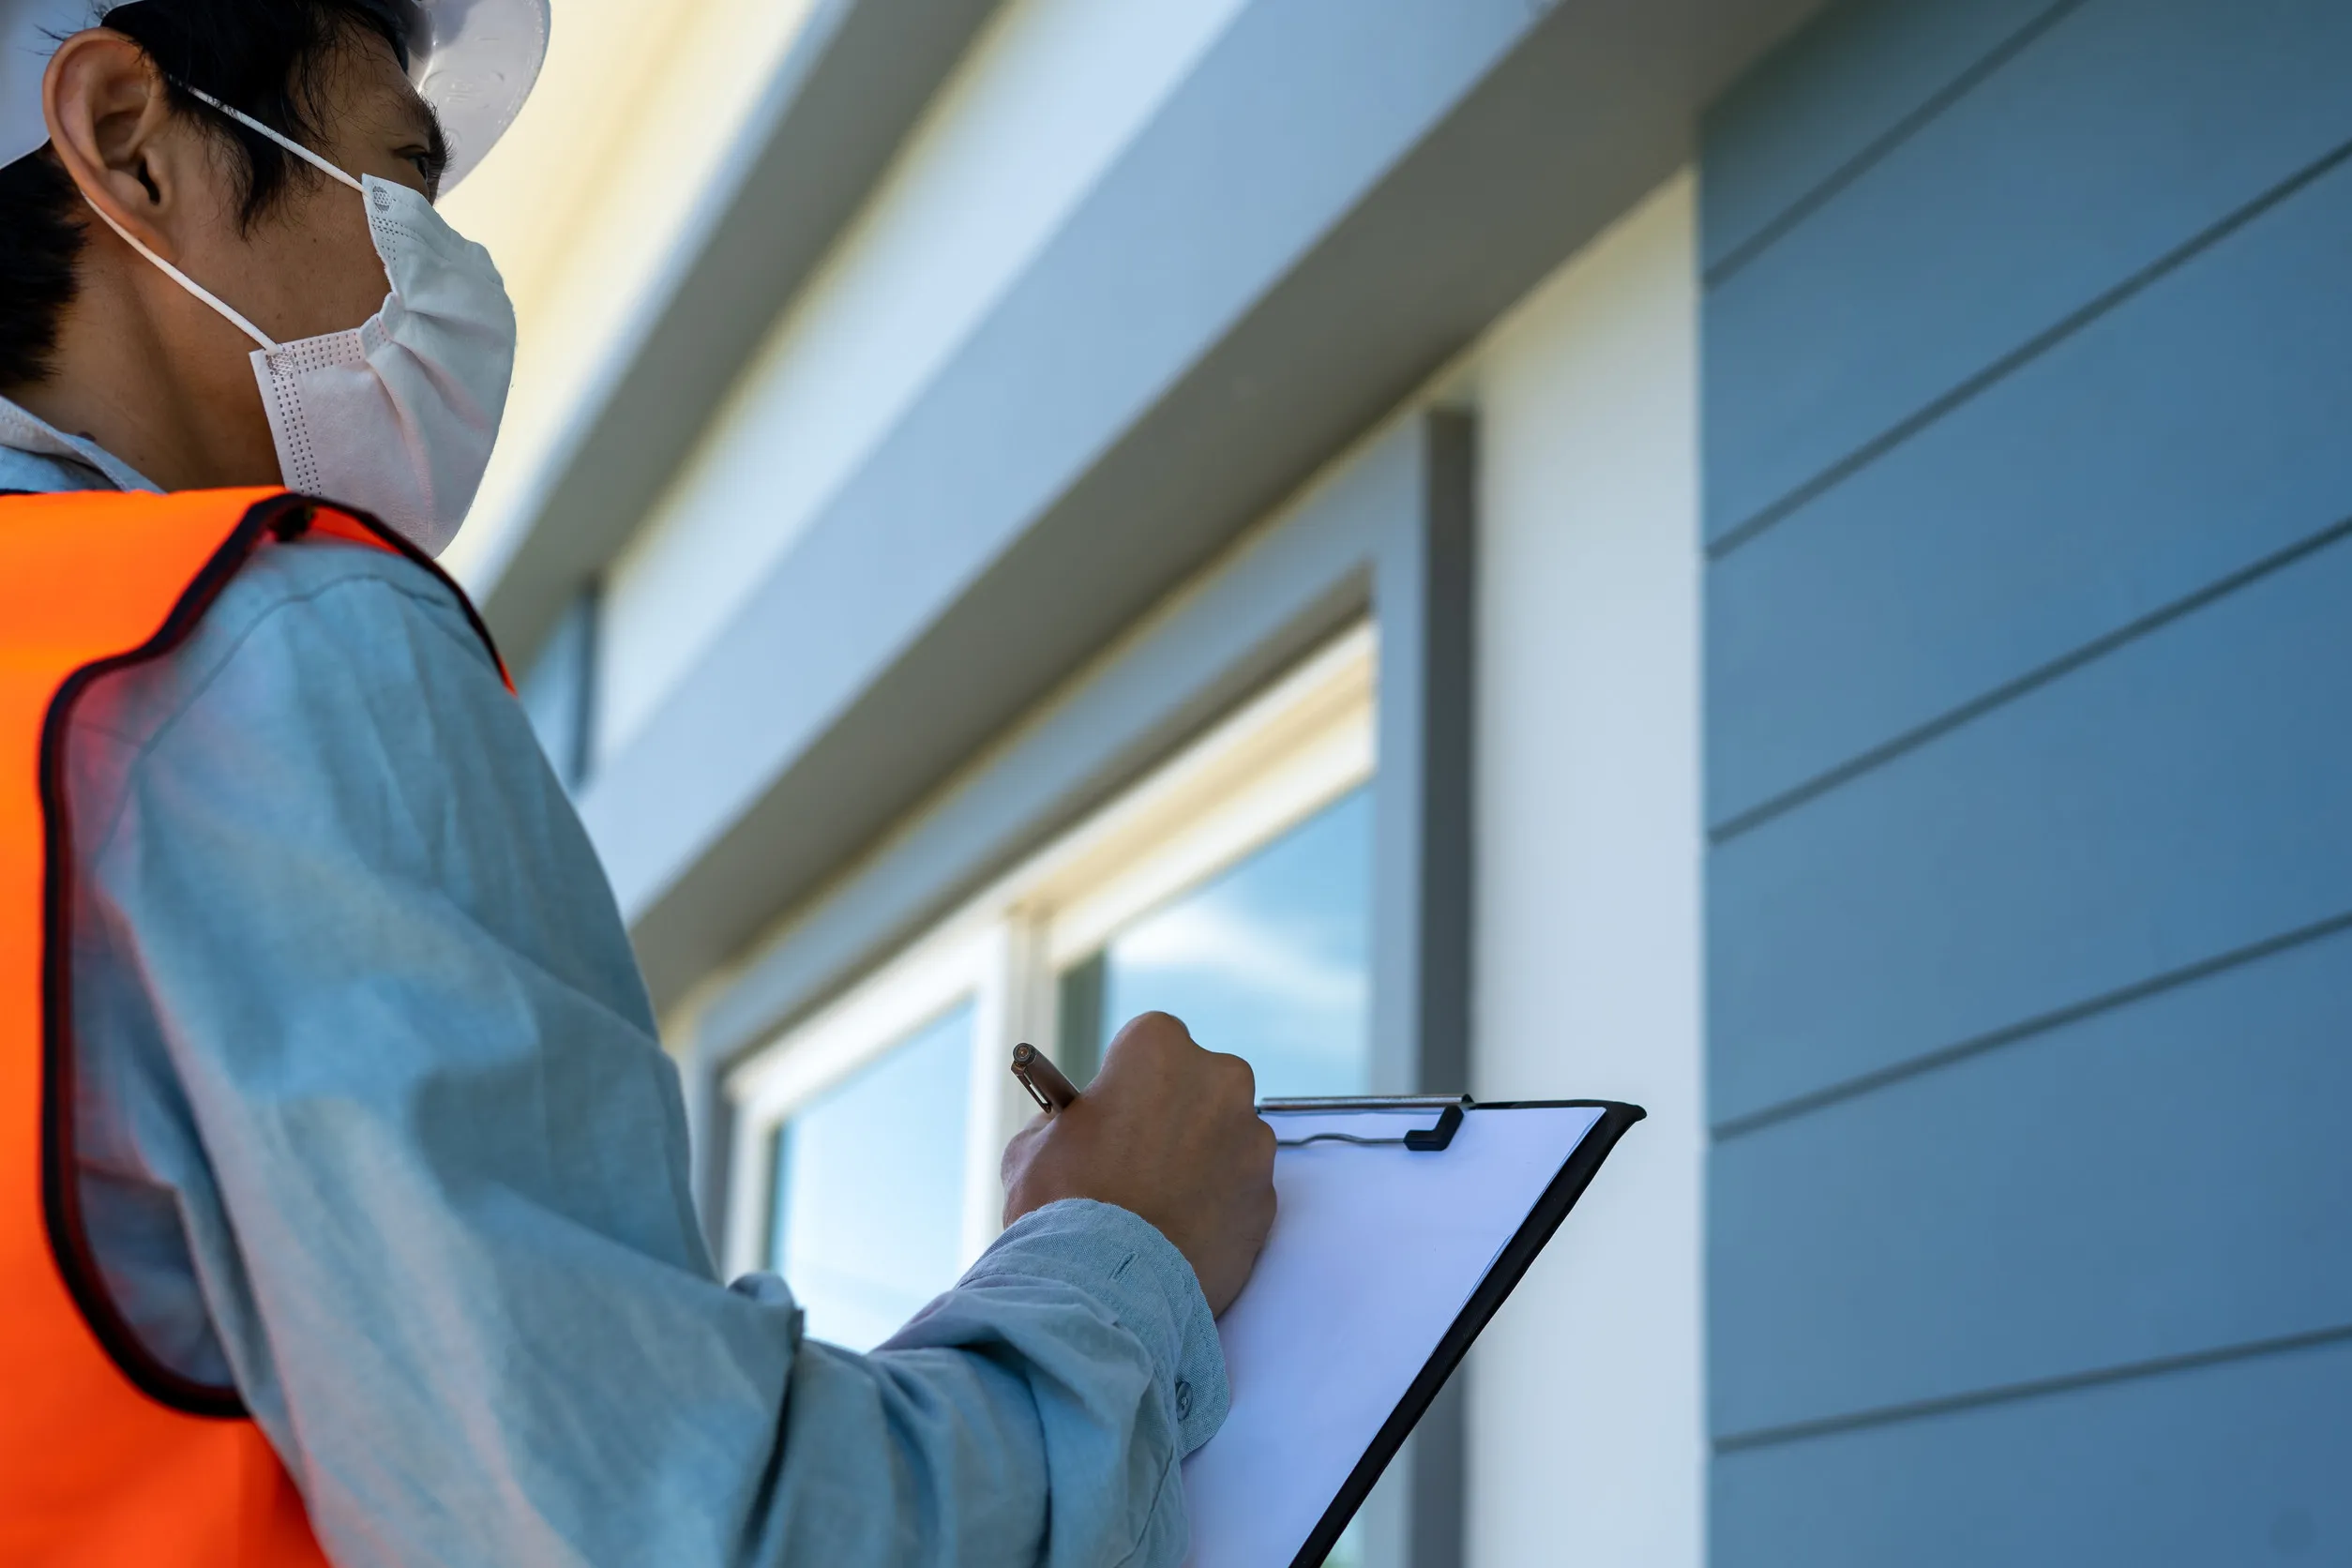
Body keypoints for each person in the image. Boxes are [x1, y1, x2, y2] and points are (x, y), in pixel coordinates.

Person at [0, 1, 1276, 1563]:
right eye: (403, 173)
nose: (443, 263)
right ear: (128, 141)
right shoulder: (263, 650)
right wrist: (1126, 1256)